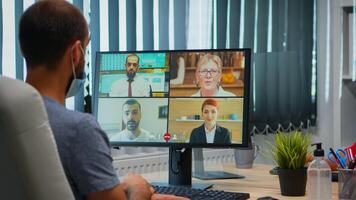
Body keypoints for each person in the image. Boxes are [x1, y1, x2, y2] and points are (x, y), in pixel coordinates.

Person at [20, 1, 186, 200]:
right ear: (76, 53)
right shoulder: (79, 129)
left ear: (24, 50)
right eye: (86, 49)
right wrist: (138, 189)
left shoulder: (10, 115)